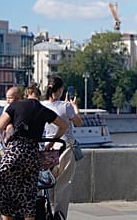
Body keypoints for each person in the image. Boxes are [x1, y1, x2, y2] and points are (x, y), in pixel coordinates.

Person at [0, 83, 68, 220]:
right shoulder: (42, 109)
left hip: (15, 151)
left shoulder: (15, 105)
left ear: (26, 95)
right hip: (33, 155)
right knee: (29, 194)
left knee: (5, 186)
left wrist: (8, 124)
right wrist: (51, 143)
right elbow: (64, 125)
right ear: (38, 97)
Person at [42, 76, 83, 218]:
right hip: (65, 146)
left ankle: (47, 210)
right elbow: (78, 122)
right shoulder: (66, 107)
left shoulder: (42, 105)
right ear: (60, 90)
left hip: (48, 146)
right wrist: (75, 107)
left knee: (48, 182)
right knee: (64, 183)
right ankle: (59, 214)